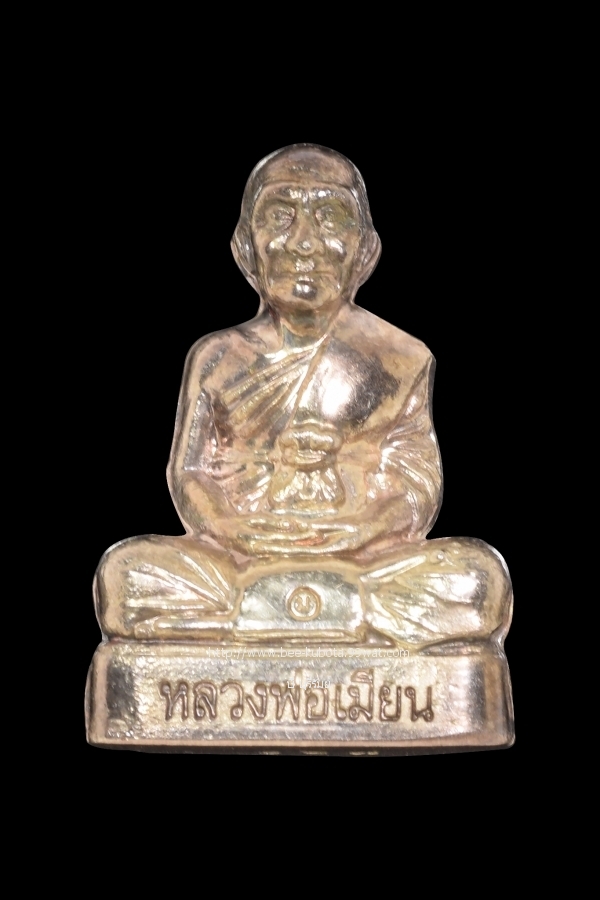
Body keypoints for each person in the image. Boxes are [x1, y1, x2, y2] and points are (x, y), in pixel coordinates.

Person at [95, 144, 512, 647]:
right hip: (241, 556)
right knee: (126, 575)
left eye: (330, 218)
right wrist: (234, 530)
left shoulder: (400, 359)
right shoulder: (216, 358)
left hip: (362, 557)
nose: (304, 243)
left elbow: (416, 483)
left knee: (477, 579)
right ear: (246, 247)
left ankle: (260, 615)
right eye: (281, 217)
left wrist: (361, 531)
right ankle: (335, 613)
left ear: (365, 249)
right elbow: (190, 474)